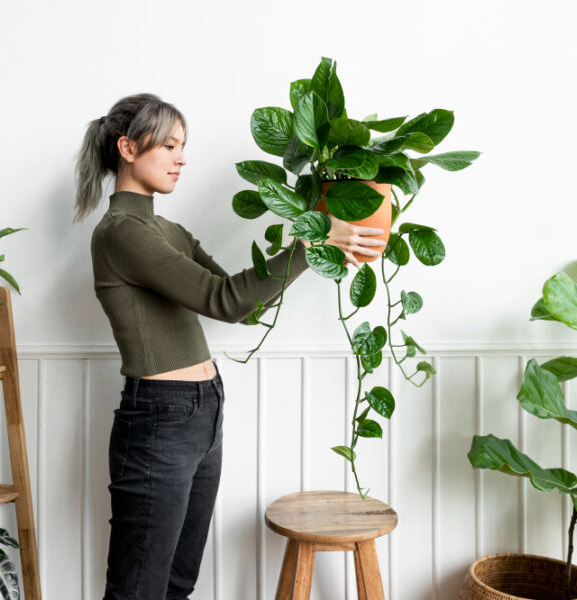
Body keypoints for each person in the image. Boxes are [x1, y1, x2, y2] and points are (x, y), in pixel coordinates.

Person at [73, 93, 385, 600]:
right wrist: (309, 242)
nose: (181, 157)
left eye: (183, 145)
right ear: (127, 148)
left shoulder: (169, 231)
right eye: (169, 144)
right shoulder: (122, 233)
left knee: (177, 583)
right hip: (159, 421)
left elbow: (248, 305)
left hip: (204, 412)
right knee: (138, 590)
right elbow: (224, 301)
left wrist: (319, 245)